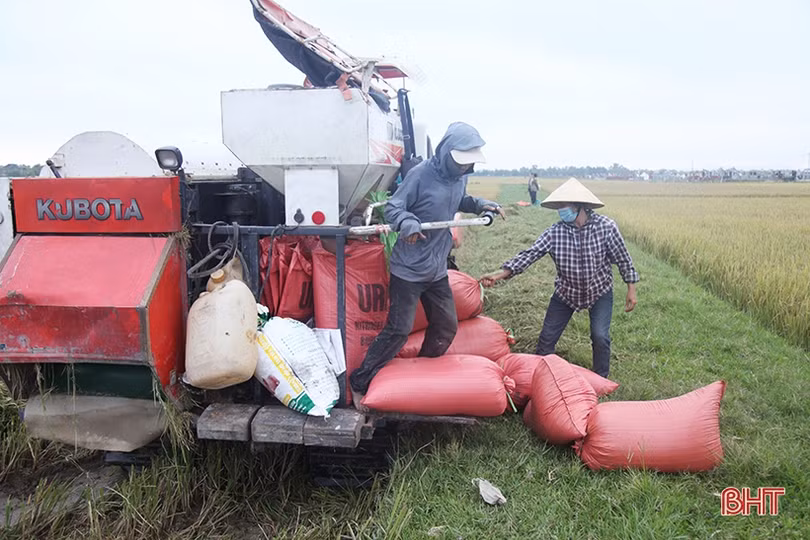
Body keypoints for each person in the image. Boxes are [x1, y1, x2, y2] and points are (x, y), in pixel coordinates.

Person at [349, 122, 505, 409]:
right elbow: (395, 207)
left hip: (436, 269)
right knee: (399, 330)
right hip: (408, 270)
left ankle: (424, 371)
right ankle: (360, 380)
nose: (463, 169)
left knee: (446, 326)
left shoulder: (459, 178)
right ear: (446, 152)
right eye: (460, 163)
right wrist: (407, 223)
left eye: (467, 165)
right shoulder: (420, 175)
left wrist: (481, 203)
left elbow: (460, 200)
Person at [480, 177, 638, 378]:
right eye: (559, 206)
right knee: (546, 341)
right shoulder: (555, 232)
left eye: (565, 206)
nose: (562, 210)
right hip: (566, 293)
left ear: (580, 206)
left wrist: (631, 288)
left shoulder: (606, 227)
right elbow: (530, 254)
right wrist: (501, 274)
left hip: (599, 290)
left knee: (600, 336)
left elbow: (623, 258)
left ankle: (600, 380)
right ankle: (541, 379)